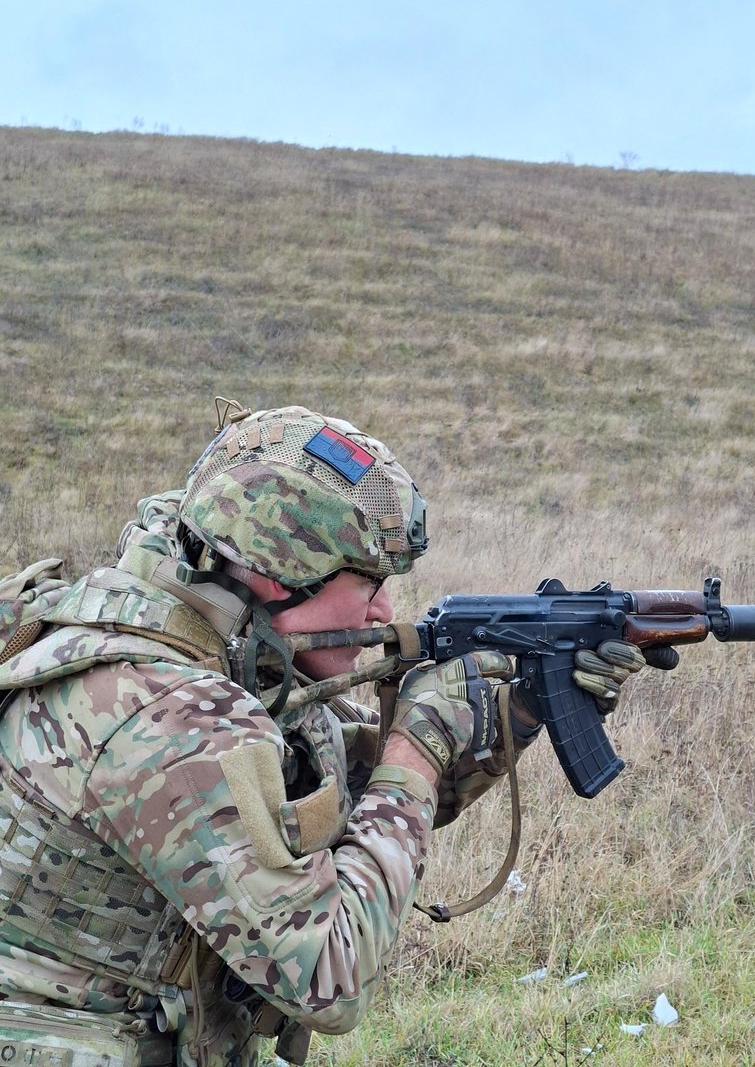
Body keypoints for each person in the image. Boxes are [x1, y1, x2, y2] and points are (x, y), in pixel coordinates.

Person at [0, 401, 646, 1067]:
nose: (385, 611)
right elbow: (329, 978)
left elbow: (333, 792)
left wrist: (515, 712)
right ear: (277, 567)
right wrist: (417, 746)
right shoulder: (169, 719)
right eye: (366, 582)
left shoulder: (202, 634)